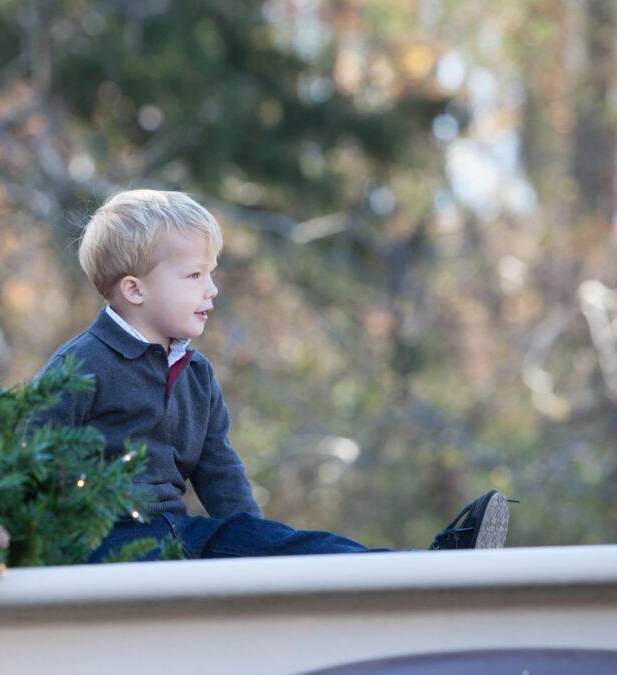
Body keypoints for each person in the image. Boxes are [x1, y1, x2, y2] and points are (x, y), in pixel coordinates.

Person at [33, 189, 511, 561]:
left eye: (211, 273)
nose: (212, 289)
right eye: (194, 276)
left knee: (288, 543)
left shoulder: (196, 375)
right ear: (135, 290)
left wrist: (255, 543)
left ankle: (418, 567)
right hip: (104, 543)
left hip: (178, 535)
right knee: (223, 547)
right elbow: (28, 450)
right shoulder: (84, 365)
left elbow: (220, 472)